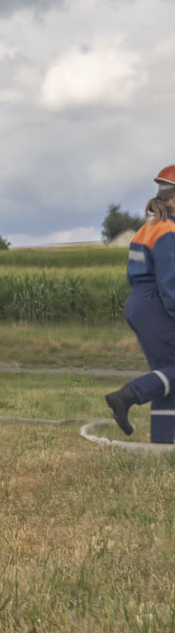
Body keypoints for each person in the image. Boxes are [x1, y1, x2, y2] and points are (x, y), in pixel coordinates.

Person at [106, 165, 175, 442]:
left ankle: (164, 442)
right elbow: (170, 283)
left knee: (167, 377)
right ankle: (125, 396)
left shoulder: (150, 227)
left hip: (140, 301)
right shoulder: (168, 231)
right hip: (156, 301)